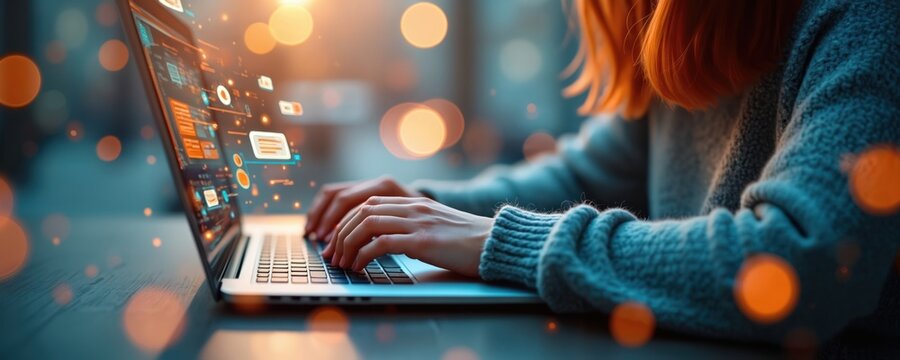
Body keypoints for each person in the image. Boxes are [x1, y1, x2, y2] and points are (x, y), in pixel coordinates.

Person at [305, 0, 899, 344]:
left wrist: (494, 239)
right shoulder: (688, 34)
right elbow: (582, 177)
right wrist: (423, 208)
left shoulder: (868, 23)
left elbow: (804, 259)